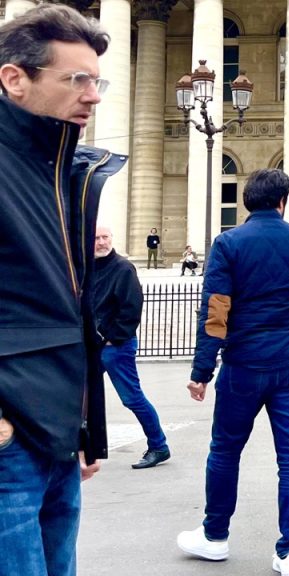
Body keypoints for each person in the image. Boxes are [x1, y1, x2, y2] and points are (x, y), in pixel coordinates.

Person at [0, 5, 125, 575]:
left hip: (53, 435)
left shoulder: (63, 171)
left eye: (96, 81)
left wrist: (84, 427)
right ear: (15, 78)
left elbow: (69, 314)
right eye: (77, 79)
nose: (93, 96)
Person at [177, 169, 289, 576]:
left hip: (243, 365)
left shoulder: (228, 243)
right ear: (283, 201)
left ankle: (215, 537)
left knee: (225, 451)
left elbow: (216, 309)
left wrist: (201, 370)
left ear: (248, 202)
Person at [94, 225, 171, 468]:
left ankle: (159, 446)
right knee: (81, 398)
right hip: (92, 345)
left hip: (115, 345)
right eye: (96, 238)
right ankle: (85, 447)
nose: (101, 242)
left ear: (112, 238)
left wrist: (111, 337)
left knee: (132, 398)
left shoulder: (123, 268)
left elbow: (131, 307)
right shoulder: (85, 267)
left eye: (105, 237)